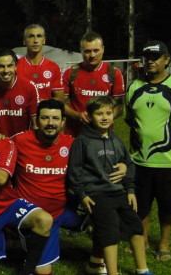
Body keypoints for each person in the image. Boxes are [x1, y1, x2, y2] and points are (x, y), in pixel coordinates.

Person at [12, 99, 106, 275]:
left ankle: (96, 261)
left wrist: (123, 166)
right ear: (36, 121)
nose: (50, 123)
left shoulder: (72, 144)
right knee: (42, 271)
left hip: (64, 210)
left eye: (55, 118)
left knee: (107, 209)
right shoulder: (20, 141)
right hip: (36, 216)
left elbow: (101, 158)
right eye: (45, 118)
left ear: (63, 122)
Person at [126, 40, 171, 262]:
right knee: (141, 205)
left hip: (169, 161)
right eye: (147, 57)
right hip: (140, 160)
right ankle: (144, 239)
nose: (150, 61)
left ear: (167, 60)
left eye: (155, 57)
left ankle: (164, 244)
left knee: (167, 206)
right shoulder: (134, 87)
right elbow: (130, 119)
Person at [68, 96, 153, 275]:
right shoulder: (82, 142)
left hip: (119, 192)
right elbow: (74, 173)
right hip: (97, 195)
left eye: (108, 113)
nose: (105, 117)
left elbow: (128, 164)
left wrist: (130, 189)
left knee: (136, 227)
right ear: (89, 117)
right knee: (110, 231)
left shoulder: (116, 140)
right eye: (99, 114)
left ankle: (143, 269)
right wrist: (82, 195)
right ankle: (112, 272)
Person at [0, 106, 53, 275]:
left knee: (44, 220)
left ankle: (27, 269)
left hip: (8, 205)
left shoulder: (6, 144)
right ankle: (8, 241)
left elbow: (1, 178)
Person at [62, 31, 125, 136]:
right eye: (87, 51)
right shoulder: (71, 73)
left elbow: (120, 107)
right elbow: (61, 104)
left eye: (96, 50)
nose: (92, 55)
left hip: (103, 134)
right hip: (75, 134)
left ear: (103, 49)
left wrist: (103, 119)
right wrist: (78, 115)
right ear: (81, 51)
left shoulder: (114, 73)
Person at [16, 24, 64, 102]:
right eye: (31, 36)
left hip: (45, 113)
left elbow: (60, 99)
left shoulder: (53, 67)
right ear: (24, 41)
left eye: (39, 36)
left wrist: (43, 106)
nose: (35, 41)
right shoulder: (15, 66)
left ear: (44, 40)